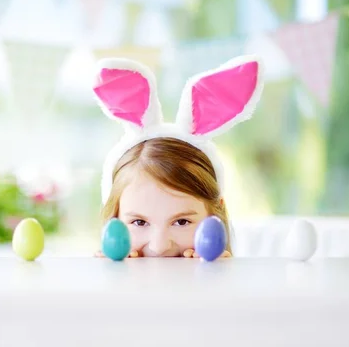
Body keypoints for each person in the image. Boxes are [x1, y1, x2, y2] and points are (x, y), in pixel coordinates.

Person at [92, 55, 264, 258]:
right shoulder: (102, 281)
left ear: (216, 212)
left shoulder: (229, 281)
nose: (160, 246)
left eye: (182, 222)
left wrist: (217, 280)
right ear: (114, 217)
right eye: (139, 222)